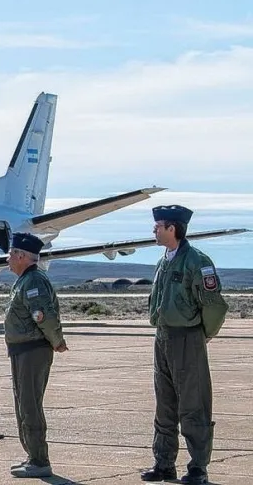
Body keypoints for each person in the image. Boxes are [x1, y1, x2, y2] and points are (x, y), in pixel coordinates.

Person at [141, 205, 229, 485]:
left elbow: (214, 305)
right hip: (163, 337)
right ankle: (164, 463)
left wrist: (204, 334)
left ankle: (198, 468)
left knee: (193, 405)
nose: (153, 230)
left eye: (158, 226)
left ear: (172, 228)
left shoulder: (196, 261)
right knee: (164, 405)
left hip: (187, 338)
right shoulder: (163, 261)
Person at [4, 232, 67, 479]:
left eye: (11, 254)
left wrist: (57, 341)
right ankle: (33, 456)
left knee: (30, 405)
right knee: (23, 404)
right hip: (22, 350)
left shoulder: (33, 282)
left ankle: (40, 460)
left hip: (32, 349)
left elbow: (43, 315)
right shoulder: (23, 280)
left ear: (22, 256)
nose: (8, 258)